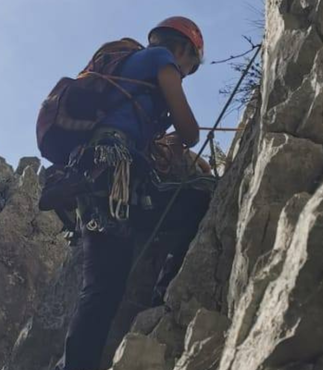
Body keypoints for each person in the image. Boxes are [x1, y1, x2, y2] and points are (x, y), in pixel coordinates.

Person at [53, 16, 208, 370]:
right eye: (190, 67)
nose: (185, 73)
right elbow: (190, 129)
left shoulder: (128, 70)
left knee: (102, 287)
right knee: (197, 201)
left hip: (93, 176)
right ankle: (166, 294)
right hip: (117, 174)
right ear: (182, 49)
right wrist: (181, 139)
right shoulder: (159, 59)